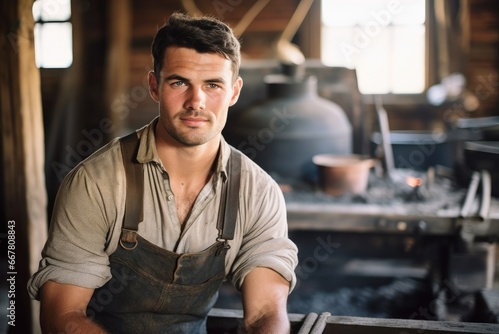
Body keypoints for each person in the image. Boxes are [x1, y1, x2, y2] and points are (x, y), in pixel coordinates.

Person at [28, 12, 298, 334]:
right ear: (154, 86)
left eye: (213, 85)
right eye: (179, 82)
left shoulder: (257, 192)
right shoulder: (96, 183)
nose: (196, 101)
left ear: (234, 92)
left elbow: (265, 312)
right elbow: (63, 316)